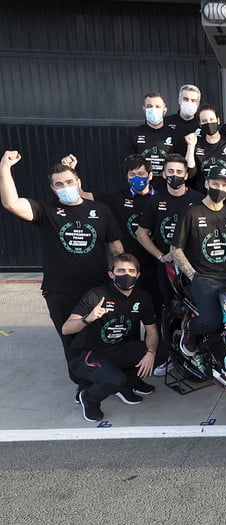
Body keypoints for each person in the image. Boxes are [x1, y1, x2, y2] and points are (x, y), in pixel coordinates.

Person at [0, 151, 123, 399]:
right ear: (52, 188)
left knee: (102, 336)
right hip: (61, 291)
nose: (65, 187)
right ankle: (84, 385)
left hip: (97, 288)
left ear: (78, 182)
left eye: (69, 182)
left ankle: (109, 380)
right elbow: (11, 204)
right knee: (72, 341)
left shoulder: (100, 210)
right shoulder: (46, 212)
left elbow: (115, 247)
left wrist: (120, 275)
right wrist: (4, 167)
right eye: (59, 184)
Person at [170, 165, 226, 366]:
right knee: (211, 322)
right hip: (204, 277)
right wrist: (193, 275)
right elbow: (175, 249)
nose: (220, 189)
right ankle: (189, 326)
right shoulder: (191, 212)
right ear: (207, 184)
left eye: (224, 185)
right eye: (215, 184)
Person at [63, 253, 158, 422]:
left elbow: (152, 331)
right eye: (120, 271)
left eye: (131, 271)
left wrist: (150, 353)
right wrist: (88, 319)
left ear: (138, 275)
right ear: (111, 274)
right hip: (88, 353)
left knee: (162, 350)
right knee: (114, 379)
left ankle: (127, 384)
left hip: (118, 349)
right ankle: (89, 397)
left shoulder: (143, 297)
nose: (126, 275)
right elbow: (66, 329)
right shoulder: (96, 295)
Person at [136, 154, 203, 374]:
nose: (175, 176)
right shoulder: (155, 201)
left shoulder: (198, 199)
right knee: (167, 312)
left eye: (179, 172)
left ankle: (198, 354)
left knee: (196, 311)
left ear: (186, 174)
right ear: (163, 174)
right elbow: (142, 234)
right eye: (170, 171)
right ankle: (168, 356)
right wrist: (159, 256)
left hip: (193, 270)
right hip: (166, 271)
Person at [94, 154, 162, 324]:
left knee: (157, 314)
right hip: (129, 270)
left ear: (150, 175)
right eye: (132, 175)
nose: (137, 178)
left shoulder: (161, 198)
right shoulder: (117, 197)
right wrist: (71, 171)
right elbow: (83, 196)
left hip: (157, 268)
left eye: (141, 173)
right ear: (127, 177)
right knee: (127, 314)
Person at [185, 104, 226, 198]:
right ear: (200, 124)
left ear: (218, 120)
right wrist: (191, 146)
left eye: (211, 119)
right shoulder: (197, 144)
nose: (208, 123)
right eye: (204, 121)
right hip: (202, 197)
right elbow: (190, 172)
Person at [128, 91, 175, 190]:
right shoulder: (134, 134)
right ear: (144, 109)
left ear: (164, 110)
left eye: (158, 106)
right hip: (143, 189)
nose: (153, 109)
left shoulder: (174, 134)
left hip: (168, 189)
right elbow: (129, 164)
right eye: (149, 106)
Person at [164, 84, 202, 157]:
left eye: (193, 100)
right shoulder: (166, 122)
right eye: (185, 99)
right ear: (179, 100)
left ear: (198, 104)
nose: (189, 103)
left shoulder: (202, 124)